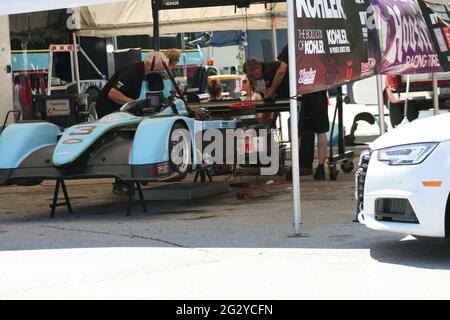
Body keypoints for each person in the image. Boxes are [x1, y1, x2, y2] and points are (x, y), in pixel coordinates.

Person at [244, 46, 329, 180]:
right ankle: (319, 168)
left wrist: (271, 91)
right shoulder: (312, 46)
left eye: (252, 75)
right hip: (316, 88)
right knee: (319, 131)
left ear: (257, 68)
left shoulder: (275, 65)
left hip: (306, 93)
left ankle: (299, 167)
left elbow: (281, 72)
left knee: (300, 132)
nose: (254, 79)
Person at [95, 51, 169, 118]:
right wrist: (136, 103)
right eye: (158, 69)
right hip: (109, 109)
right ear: (147, 65)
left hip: (128, 110)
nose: (159, 72)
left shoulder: (154, 74)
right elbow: (113, 94)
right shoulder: (131, 72)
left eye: (161, 70)